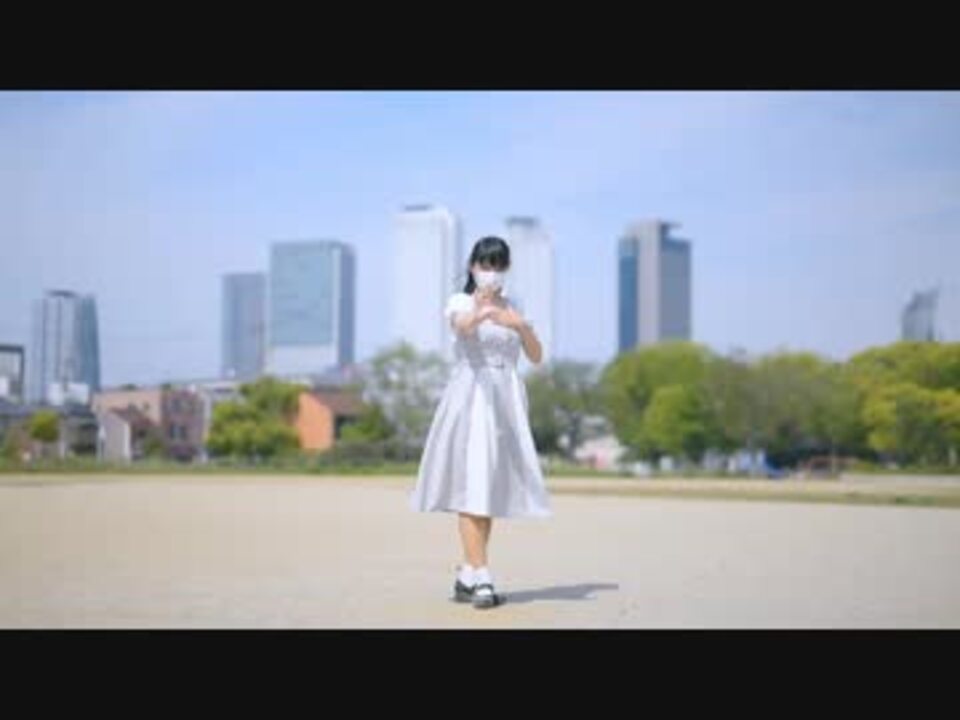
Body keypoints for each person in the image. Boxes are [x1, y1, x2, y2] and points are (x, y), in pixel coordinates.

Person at [409, 235, 551, 610]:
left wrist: (520, 325)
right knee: (472, 486)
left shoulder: (514, 306)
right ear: (473, 267)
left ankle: (467, 575)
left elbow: (536, 356)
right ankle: (483, 577)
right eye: (486, 265)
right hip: (473, 395)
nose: (492, 273)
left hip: (506, 400)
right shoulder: (461, 301)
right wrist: (483, 311)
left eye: (499, 266)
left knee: (486, 488)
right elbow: (462, 327)